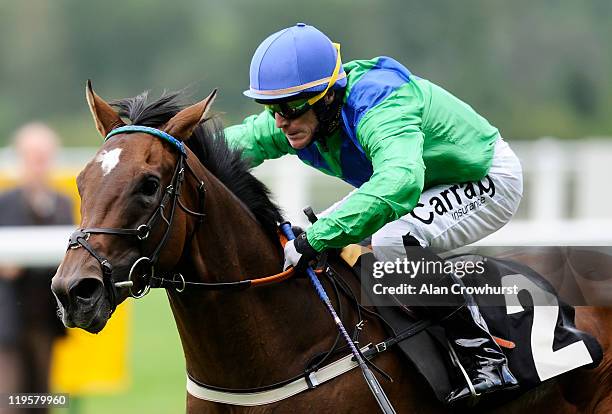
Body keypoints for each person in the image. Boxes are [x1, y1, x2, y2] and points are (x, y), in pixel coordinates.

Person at [224, 23, 523, 403]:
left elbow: (399, 183)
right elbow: (231, 144)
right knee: (322, 228)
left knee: (390, 239)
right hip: (424, 180)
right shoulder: (302, 114)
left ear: (328, 96)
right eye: (271, 108)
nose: (280, 120)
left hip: (484, 176)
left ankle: (482, 354)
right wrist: (157, 141)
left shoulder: (379, 103)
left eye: (290, 106)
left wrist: (315, 239)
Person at [0, 123, 73, 414]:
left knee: (41, 401)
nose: (38, 164)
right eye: (33, 156)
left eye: (44, 156)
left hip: (45, 321)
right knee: (10, 400)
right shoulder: (4, 203)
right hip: (8, 323)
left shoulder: (63, 204)